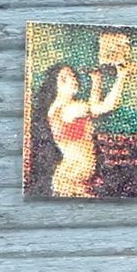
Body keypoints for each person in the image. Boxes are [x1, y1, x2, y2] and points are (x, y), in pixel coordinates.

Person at [26, 59, 127, 198]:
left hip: (71, 177)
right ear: (59, 83)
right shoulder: (69, 109)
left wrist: (96, 81)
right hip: (71, 180)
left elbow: (93, 107)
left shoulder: (60, 107)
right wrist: (121, 76)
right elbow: (105, 107)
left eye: (73, 75)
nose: (75, 79)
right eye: (68, 77)